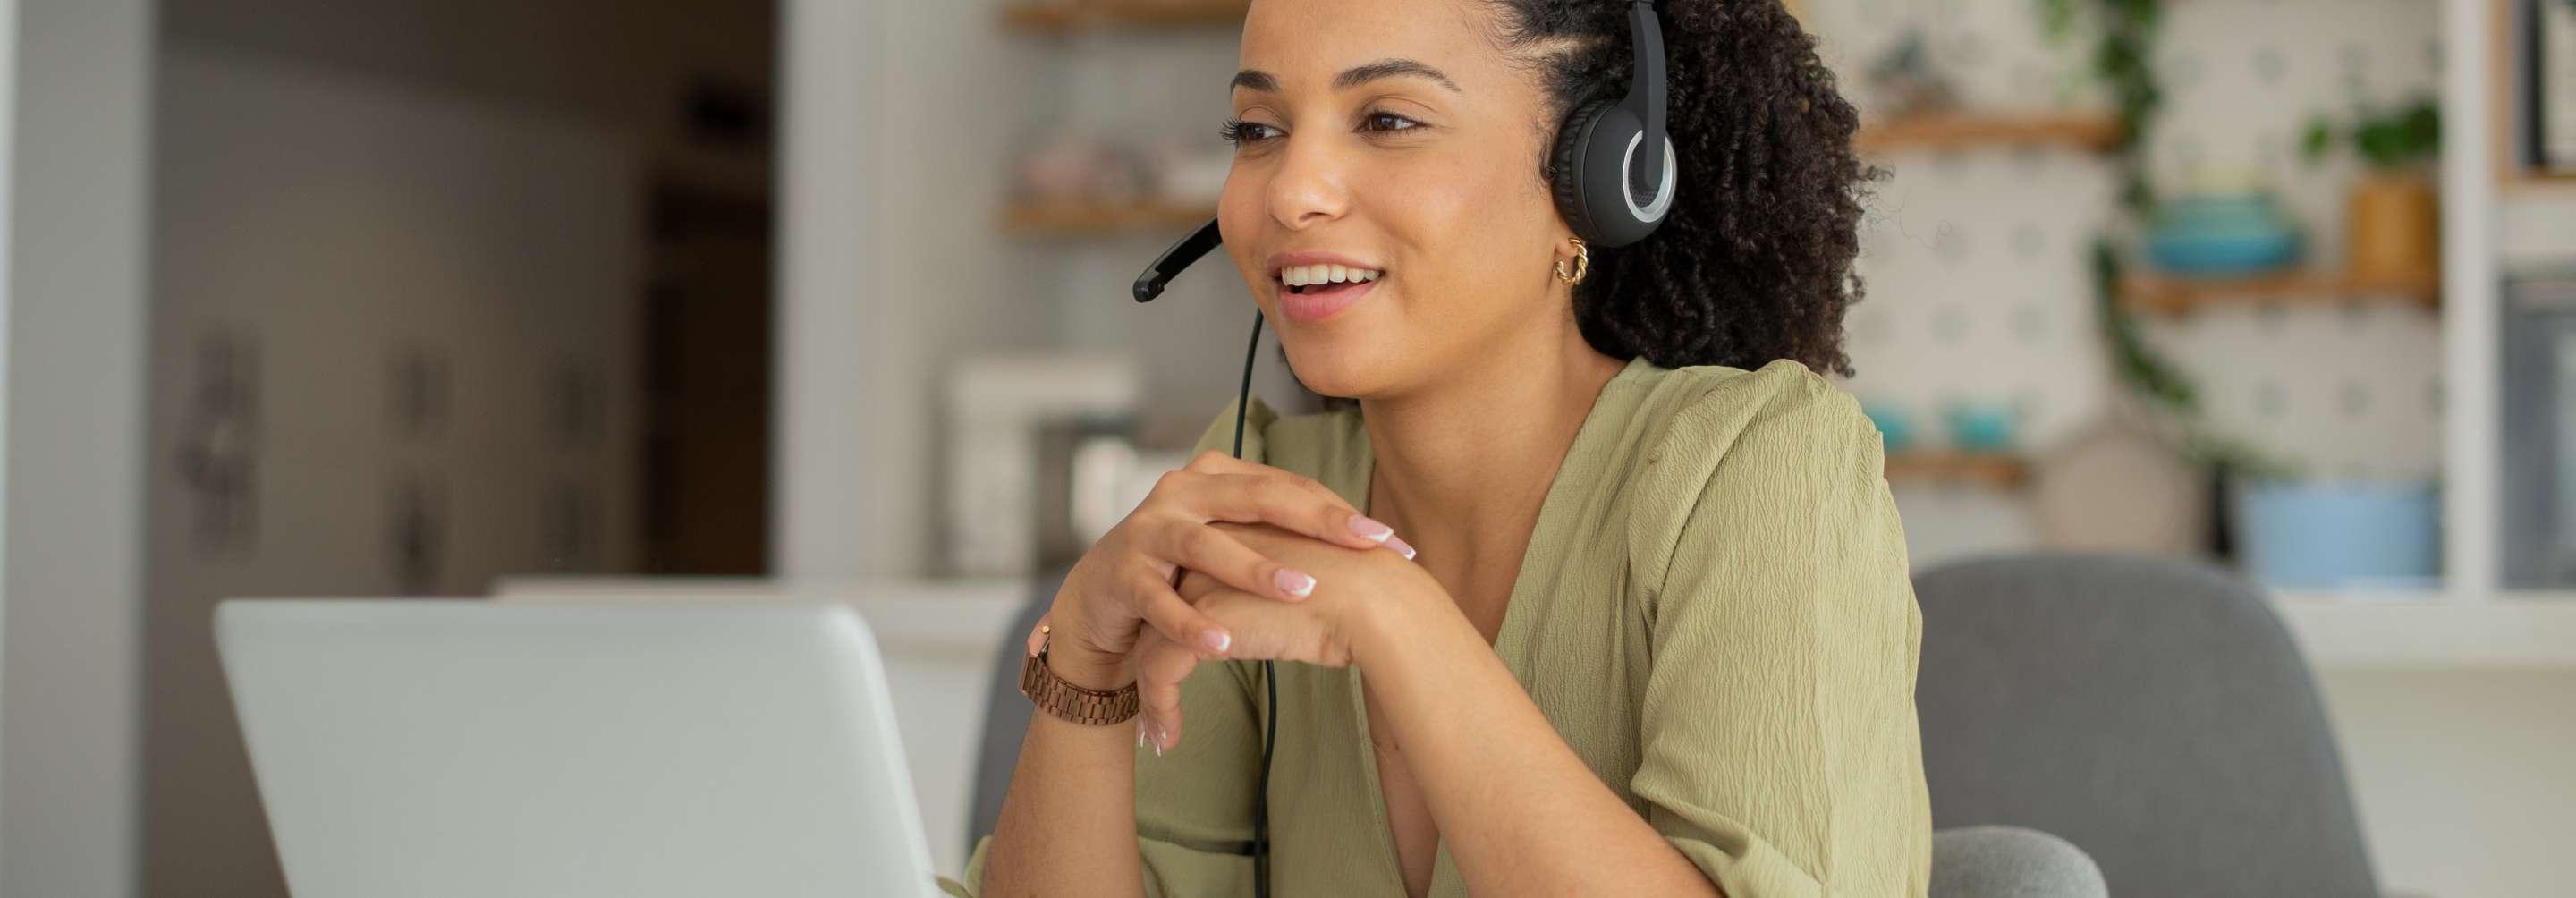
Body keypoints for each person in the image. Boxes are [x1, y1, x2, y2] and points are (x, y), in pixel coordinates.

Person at [956, 0, 1926, 894]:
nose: (1293, 192)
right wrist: (1081, 671)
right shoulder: (1255, 493)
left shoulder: (1756, 467)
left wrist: (1396, 618)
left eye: (1388, 120)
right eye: (1259, 131)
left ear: (1597, 176)